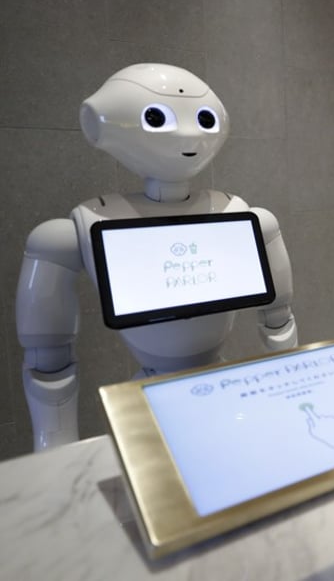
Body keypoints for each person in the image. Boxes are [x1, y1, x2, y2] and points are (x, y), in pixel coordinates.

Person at [15, 64, 299, 451]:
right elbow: (48, 357)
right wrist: (54, 443)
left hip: (227, 388)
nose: (188, 134)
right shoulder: (82, 227)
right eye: (157, 118)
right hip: (150, 397)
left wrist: (292, 395)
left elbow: (279, 319)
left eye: (203, 119)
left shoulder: (242, 215)